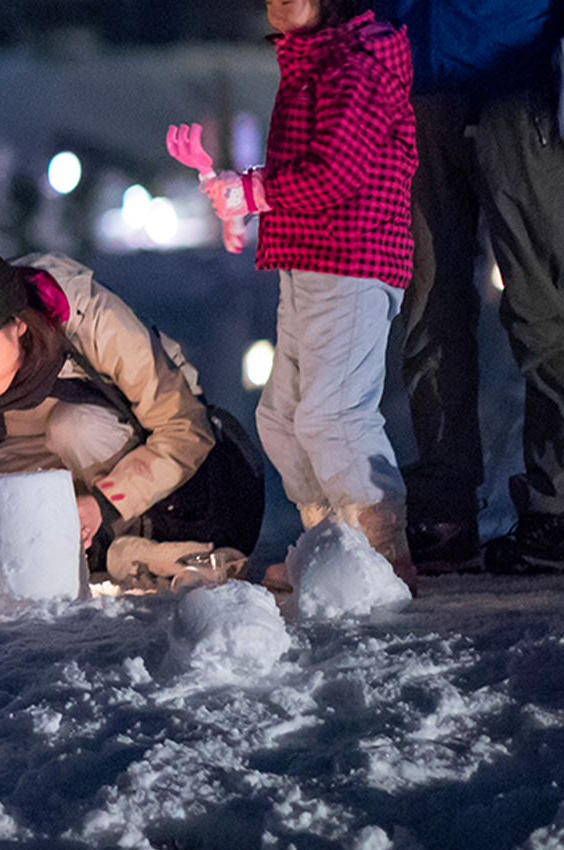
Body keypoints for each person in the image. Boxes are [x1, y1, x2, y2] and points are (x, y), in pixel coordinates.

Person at [197, 0, 418, 591]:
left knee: (332, 413)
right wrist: (249, 196)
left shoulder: (359, 60)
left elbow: (336, 171)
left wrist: (253, 192)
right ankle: (332, 547)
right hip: (309, 258)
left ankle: (381, 549)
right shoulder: (314, 58)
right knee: (281, 418)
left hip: (354, 257)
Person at [0, 223, 264, 588]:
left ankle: (149, 544)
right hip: (34, 450)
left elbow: (184, 427)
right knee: (3, 503)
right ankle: (107, 557)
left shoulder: (90, 319)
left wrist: (104, 505)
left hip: (142, 464)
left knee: (74, 427)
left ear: (16, 324)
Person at [373, 0, 564, 574]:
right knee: (428, 307)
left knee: (541, 303)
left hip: (513, 81)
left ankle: (556, 502)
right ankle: (443, 506)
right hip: (417, 87)